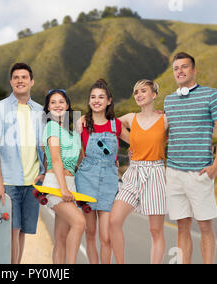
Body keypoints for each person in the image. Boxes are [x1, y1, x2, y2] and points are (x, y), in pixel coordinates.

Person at [164, 52, 217, 264]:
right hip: (173, 172)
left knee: (204, 226)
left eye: (184, 67)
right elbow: (163, 136)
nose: (180, 71)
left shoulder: (212, 95)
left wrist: (215, 167)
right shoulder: (169, 101)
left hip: (200, 172)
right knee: (182, 226)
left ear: (193, 70)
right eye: (176, 68)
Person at [0, 63, 46, 264]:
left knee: (21, 232)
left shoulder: (39, 110)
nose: (20, 80)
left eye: (24, 77)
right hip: (10, 182)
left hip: (33, 183)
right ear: (11, 82)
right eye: (16, 77)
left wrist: (43, 173)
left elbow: (43, 146)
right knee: (12, 231)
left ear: (31, 82)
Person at [109, 79, 169, 264]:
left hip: (156, 173)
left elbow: (180, 136)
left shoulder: (165, 119)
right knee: (114, 221)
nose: (139, 95)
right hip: (134, 173)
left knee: (155, 230)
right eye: (136, 92)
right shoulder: (130, 118)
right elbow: (108, 125)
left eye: (143, 91)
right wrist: (131, 143)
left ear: (154, 95)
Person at [75, 79, 130, 264]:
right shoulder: (81, 123)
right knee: (90, 233)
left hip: (109, 182)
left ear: (109, 101)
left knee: (106, 237)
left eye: (101, 97)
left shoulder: (116, 125)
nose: (96, 100)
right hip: (86, 180)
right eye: (93, 97)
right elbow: (75, 153)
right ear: (89, 101)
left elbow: (137, 144)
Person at [42, 89, 85, 264]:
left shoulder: (72, 133)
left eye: (61, 102)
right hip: (57, 185)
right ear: (48, 107)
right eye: (53, 102)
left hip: (70, 183)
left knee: (61, 237)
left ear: (67, 106)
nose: (57, 105)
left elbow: (80, 159)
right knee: (79, 223)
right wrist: (63, 188)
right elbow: (56, 160)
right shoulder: (51, 127)